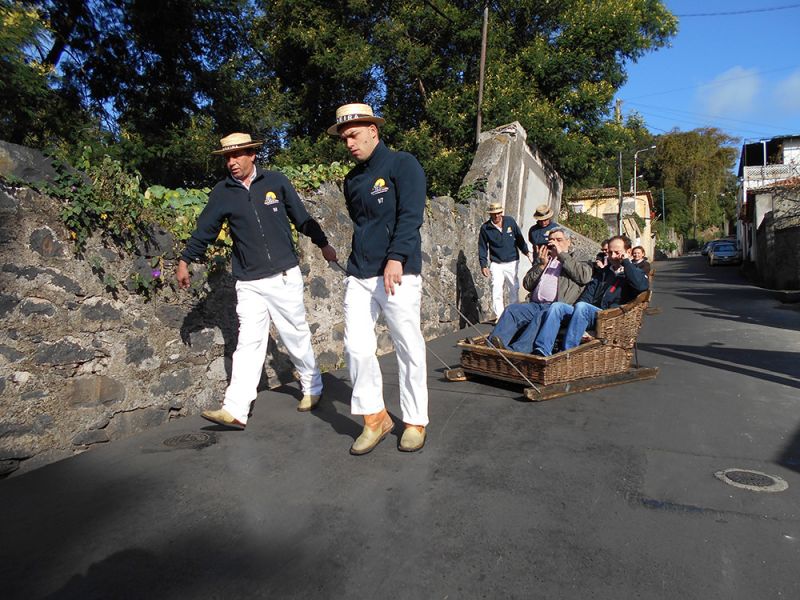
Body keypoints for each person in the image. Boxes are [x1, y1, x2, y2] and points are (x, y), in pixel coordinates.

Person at [175, 132, 337, 429]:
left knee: (294, 334)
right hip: (249, 281)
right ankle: (235, 409)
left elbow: (301, 217)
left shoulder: (276, 182)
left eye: (237, 155)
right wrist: (185, 260)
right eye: (227, 157)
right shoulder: (222, 192)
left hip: (283, 275)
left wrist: (323, 243)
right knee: (248, 342)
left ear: (252, 154)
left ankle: (312, 387)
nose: (232, 162)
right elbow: (205, 230)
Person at [328, 103, 428, 455]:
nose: (349, 143)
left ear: (373, 130)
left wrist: (396, 257)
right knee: (356, 347)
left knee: (407, 345)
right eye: (344, 138)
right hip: (360, 272)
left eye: (354, 135)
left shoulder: (403, 164)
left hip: (398, 270)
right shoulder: (352, 180)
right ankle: (375, 418)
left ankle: (414, 421)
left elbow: (411, 215)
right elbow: (361, 224)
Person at [532, 235, 649, 356]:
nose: (612, 256)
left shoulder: (634, 271)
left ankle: (567, 352)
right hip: (590, 313)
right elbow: (587, 295)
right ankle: (542, 350)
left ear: (628, 252)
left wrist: (626, 262)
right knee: (557, 307)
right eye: (610, 252)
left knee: (582, 307)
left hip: (612, 316)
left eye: (617, 252)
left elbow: (641, 286)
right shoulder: (604, 273)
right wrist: (578, 315)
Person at [487, 228, 592, 353]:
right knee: (512, 310)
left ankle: (517, 352)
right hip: (535, 304)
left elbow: (584, 276)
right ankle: (490, 346)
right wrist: (541, 265)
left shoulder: (578, 257)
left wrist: (562, 255)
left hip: (557, 308)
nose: (554, 243)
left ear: (568, 242)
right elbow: (527, 284)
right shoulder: (545, 258)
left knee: (541, 317)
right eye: (551, 240)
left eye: (559, 240)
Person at [479, 202, 532, 320]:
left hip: (512, 261)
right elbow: (482, 247)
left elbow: (519, 238)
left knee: (513, 286)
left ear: (501, 212)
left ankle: (514, 313)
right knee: (496, 287)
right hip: (496, 262)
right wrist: (483, 265)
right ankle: (500, 315)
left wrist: (527, 252)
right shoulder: (485, 228)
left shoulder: (510, 221)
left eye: (498, 213)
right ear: (490, 214)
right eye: (494, 214)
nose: (496, 216)